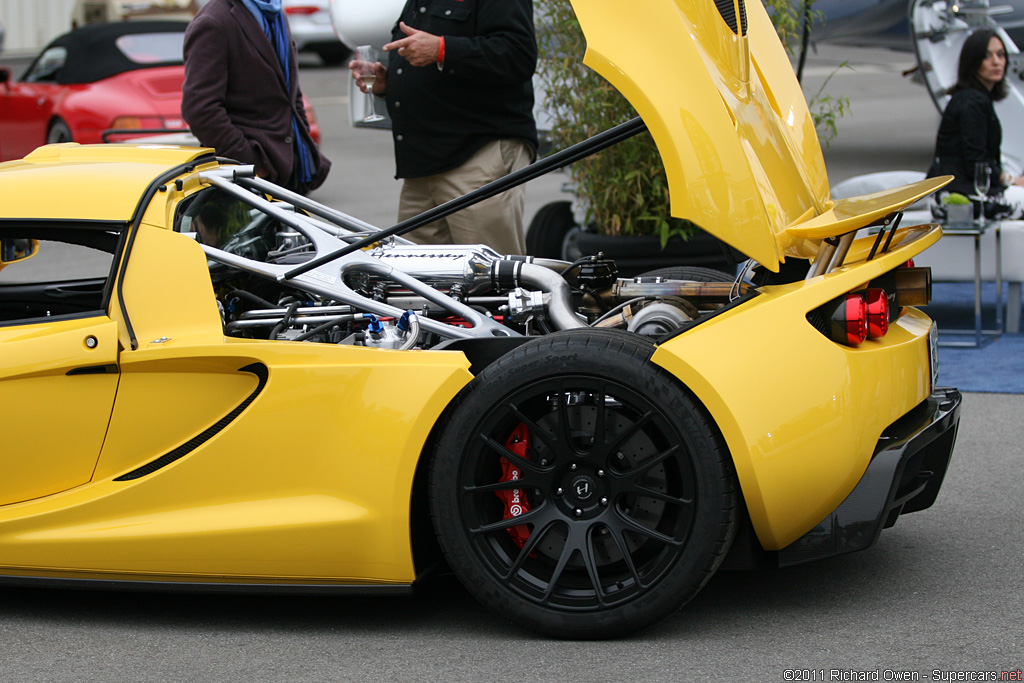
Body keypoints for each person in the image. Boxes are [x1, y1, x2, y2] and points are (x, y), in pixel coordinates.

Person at [350, 0, 538, 255]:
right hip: (422, 165)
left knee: (489, 279)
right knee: (418, 282)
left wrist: (442, 49)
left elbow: (518, 55)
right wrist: (388, 82)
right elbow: (423, 61)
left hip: (477, 154)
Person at [182, 0, 330, 194]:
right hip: (250, 179)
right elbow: (200, 110)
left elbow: (289, 93)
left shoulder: (275, 15)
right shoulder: (214, 21)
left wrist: (301, 144)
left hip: (291, 169)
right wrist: (252, 164)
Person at [927, 28, 1024, 217]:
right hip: (962, 193)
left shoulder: (975, 98)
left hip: (967, 188)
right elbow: (976, 163)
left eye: (1000, 54)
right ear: (973, 62)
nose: (996, 61)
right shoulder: (972, 103)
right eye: (986, 56)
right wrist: (1012, 180)